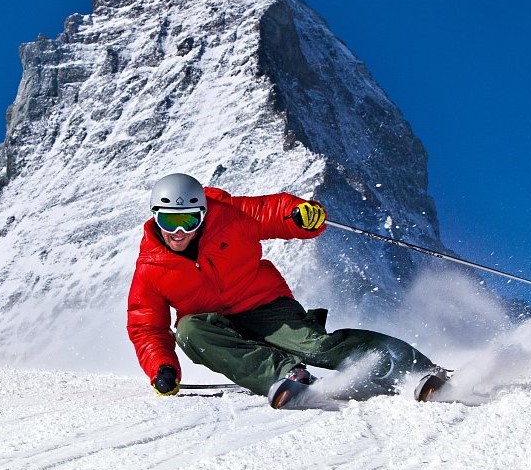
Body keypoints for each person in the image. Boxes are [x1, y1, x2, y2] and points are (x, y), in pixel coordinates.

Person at [126, 173, 450, 408]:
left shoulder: (229, 217)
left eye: (189, 220)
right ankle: (287, 376)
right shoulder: (151, 267)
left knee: (317, 346)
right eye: (170, 221)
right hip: (214, 325)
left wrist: (300, 216)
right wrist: (162, 368)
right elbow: (145, 325)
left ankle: (416, 369)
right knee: (189, 330)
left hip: (264, 306)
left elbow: (270, 211)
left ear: (203, 214)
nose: (180, 232)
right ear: (155, 219)